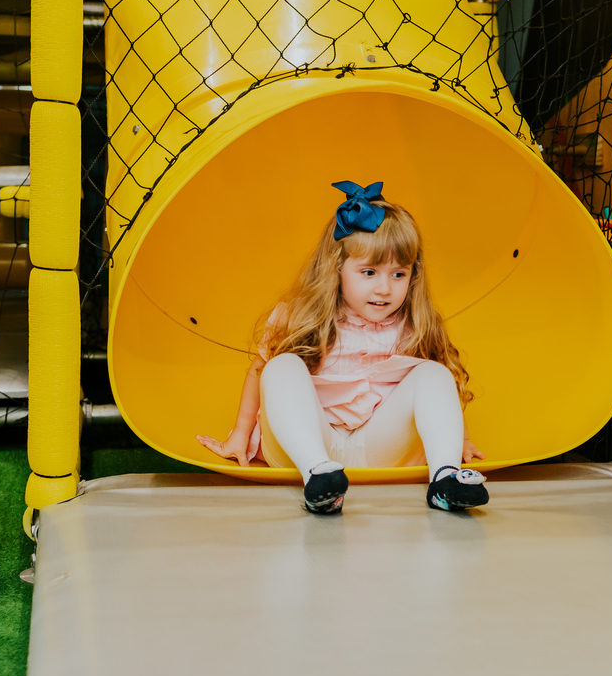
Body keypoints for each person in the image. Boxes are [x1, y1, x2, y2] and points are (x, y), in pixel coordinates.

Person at [197, 181, 490, 515]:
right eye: (369, 272)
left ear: (414, 275)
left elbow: (440, 390)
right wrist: (240, 433)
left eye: (398, 274)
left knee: (435, 372)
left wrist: (457, 439)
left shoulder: (414, 323)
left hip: (378, 446)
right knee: (280, 367)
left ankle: (444, 480)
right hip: (303, 448)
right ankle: (319, 479)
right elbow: (259, 372)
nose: (384, 288)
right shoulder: (299, 317)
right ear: (337, 269)